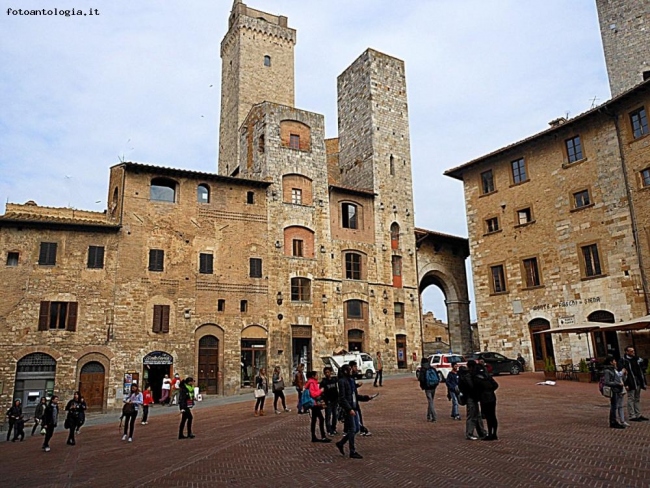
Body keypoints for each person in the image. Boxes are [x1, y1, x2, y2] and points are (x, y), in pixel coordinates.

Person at [335, 364, 362, 459]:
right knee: (352, 429)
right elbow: (342, 398)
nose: (352, 371)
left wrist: (365, 398)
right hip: (349, 409)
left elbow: (354, 394)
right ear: (346, 371)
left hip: (353, 407)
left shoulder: (351, 380)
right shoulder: (342, 381)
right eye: (350, 369)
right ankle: (352, 451)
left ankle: (341, 443)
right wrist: (349, 409)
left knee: (357, 429)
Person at [619, 346, 648, 422]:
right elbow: (623, 373)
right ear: (626, 352)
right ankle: (632, 415)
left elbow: (641, 369)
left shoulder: (637, 359)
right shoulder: (623, 360)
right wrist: (626, 384)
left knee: (637, 398)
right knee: (631, 398)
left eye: (633, 351)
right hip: (630, 382)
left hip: (637, 381)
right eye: (631, 351)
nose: (633, 352)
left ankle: (638, 414)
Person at [459, 361, 487, 440]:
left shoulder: (469, 374)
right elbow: (471, 386)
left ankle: (481, 432)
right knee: (471, 415)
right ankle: (469, 433)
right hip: (470, 397)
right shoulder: (468, 375)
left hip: (473, 397)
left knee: (477, 415)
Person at [473, 363, 499, 441]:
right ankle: (494, 434)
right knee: (493, 416)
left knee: (488, 417)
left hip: (484, 399)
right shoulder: (487, 376)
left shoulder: (477, 378)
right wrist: (490, 390)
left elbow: (476, 390)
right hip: (492, 397)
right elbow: (495, 385)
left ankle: (490, 434)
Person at [305, 370, 331, 443]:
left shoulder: (312, 382)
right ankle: (323, 436)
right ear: (313, 376)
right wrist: (321, 391)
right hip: (314, 404)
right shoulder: (312, 383)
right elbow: (313, 394)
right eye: (316, 375)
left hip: (314, 403)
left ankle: (314, 436)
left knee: (314, 420)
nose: (317, 376)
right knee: (321, 419)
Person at [604, 355, 627, 429]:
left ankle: (615, 421)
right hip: (613, 390)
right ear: (611, 362)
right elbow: (607, 382)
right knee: (614, 406)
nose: (615, 362)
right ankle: (613, 421)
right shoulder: (607, 371)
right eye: (614, 361)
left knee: (616, 405)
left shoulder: (614, 369)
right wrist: (617, 384)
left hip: (617, 389)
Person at [418, 358, 439, 422]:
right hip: (433, 387)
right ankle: (428, 415)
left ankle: (434, 416)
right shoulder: (432, 368)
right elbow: (437, 377)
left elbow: (421, 379)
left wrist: (422, 386)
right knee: (431, 401)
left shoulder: (423, 370)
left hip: (427, 388)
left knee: (430, 402)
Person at [320, 366, 339, 435]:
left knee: (335, 415)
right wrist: (323, 401)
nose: (327, 374)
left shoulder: (334, 380)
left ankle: (333, 428)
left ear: (330, 372)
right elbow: (321, 393)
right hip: (328, 401)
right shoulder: (323, 382)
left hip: (335, 400)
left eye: (328, 372)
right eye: (326, 373)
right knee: (328, 415)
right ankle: (329, 429)